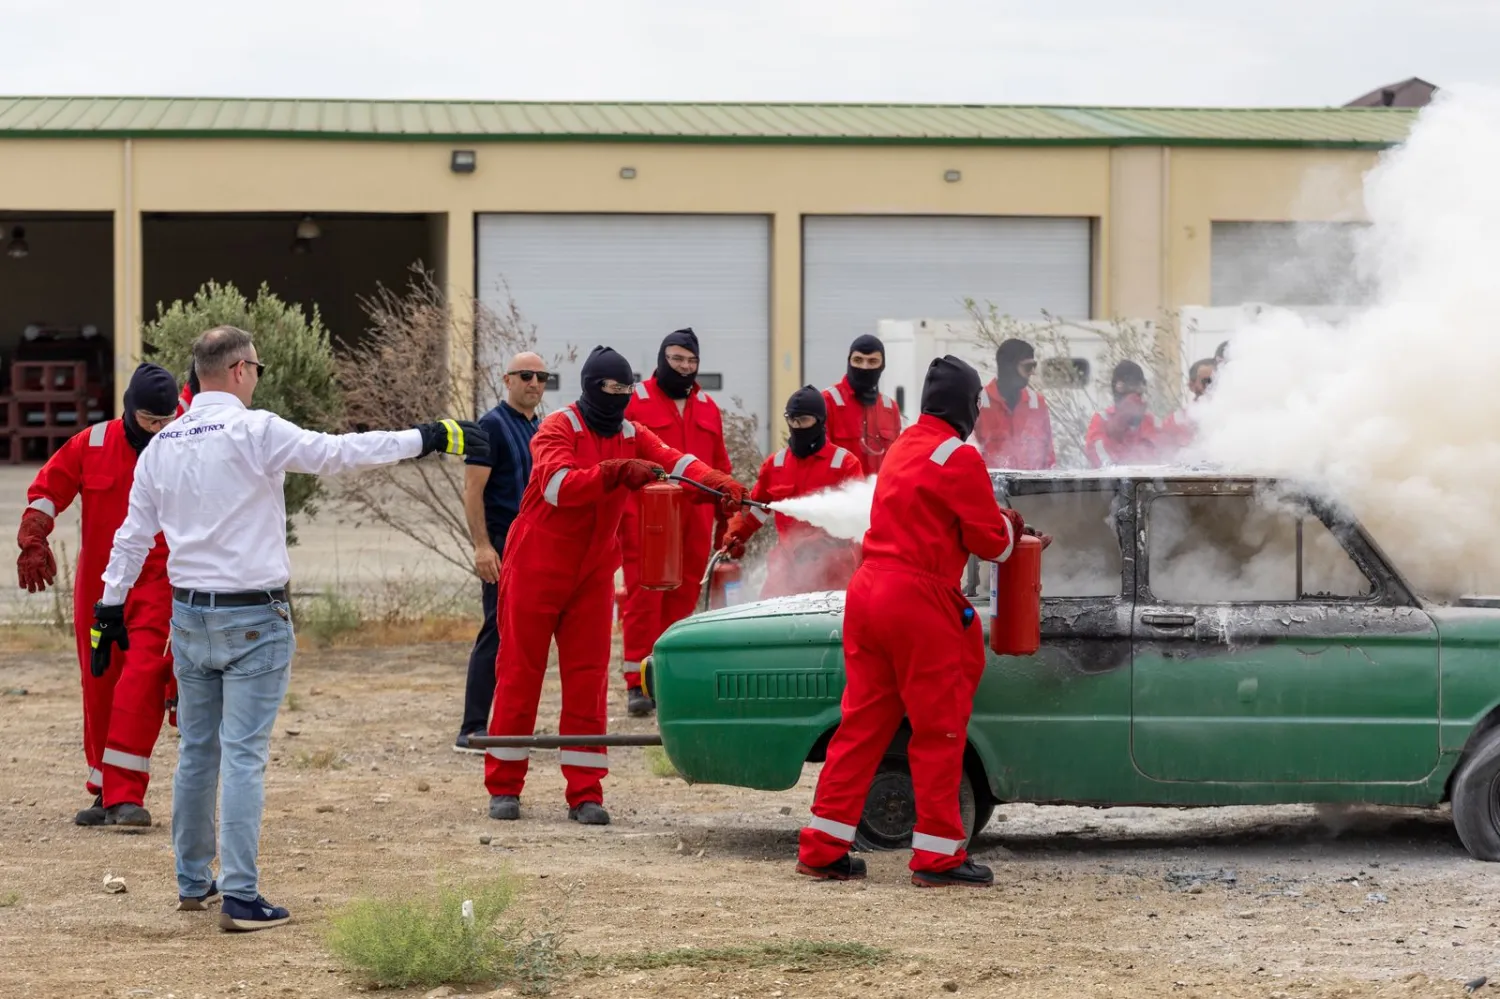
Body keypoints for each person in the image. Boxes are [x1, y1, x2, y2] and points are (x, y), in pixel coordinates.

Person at [92, 325, 489, 932]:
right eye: (257, 368)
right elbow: (338, 453)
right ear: (241, 371)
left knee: (198, 752)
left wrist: (109, 605)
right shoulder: (256, 430)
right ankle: (242, 896)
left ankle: (193, 879)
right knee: (243, 756)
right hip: (253, 616)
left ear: (198, 376)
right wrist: (428, 437)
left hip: (189, 617)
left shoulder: (163, 444)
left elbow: (132, 535)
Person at [796, 356, 1039, 888]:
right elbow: (993, 544)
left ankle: (822, 847)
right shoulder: (960, 455)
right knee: (939, 727)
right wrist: (1007, 523)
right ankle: (938, 857)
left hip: (868, 592)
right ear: (967, 405)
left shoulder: (903, 445)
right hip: (919, 599)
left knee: (861, 725)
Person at [484, 346, 747, 826]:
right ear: (589, 389)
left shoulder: (631, 432)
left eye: (627, 393)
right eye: (611, 392)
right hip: (537, 566)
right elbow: (556, 486)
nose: (620, 402)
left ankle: (585, 792)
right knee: (521, 673)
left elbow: (674, 459)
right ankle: (504, 785)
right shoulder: (558, 427)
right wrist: (614, 472)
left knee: (587, 680)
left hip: (592, 574)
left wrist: (716, 481)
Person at [18, 362, 181, 828]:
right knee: (100, 680)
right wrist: (34, 535)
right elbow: (48, 490)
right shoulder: (90, 444)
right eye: (150, 420)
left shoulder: (179, 445)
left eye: (166, 420)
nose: (158, 430)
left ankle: (127, 794)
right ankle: (105, 790)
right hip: (100, 587)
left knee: (143, 678)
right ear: (130, 410)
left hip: (158, 582)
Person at [616, 329, 732, 717]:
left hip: (695, 520)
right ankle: (638, 682)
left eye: (691, 360)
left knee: (682, 602)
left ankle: (668, 677)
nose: (684, 366)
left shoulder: (708, 408)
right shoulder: (635, 401)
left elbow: (720, 467)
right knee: (644, 599)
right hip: (647, 517)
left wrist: (728, 521)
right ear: (662, 357)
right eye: (677, 358)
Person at [454, 352, 547, 752]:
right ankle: (472, 729)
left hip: (536, 549)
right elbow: (472, 491)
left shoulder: (541, 429)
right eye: (526, 375)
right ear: (507, 380)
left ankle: (509, 724)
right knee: (495, 630)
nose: (535, 383)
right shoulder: (489, 427)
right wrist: (481, 547)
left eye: (542, 377)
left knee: (523, 638)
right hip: (502, 547)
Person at [719, 386, 866, 599]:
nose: (797, 426)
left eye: (804, 420)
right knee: (769, 623)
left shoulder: (844, 464)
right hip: (785, 572)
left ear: (820, 420)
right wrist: (735, 535)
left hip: (834, 573)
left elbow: (854, 518)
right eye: (792, 420)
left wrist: (818, 544)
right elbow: (756, 510)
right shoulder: (775, 465)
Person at [823, 334, 902, 475]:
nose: (864, 367)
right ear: (849, 362)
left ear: (882, 366)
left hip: (877, 494)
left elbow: (895, 460)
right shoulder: (827, 401)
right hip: (841, 494)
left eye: (872, 361)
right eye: (858, 360)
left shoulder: (889, 408)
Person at [972, 338, 1056, 469]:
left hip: (1031, 487)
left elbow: (1049, 456)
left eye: (1034, 366)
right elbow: (968, 456)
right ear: (1008, 367)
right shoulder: (978, 404)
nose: (1032, 373)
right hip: (992, 487)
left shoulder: (1037, 403)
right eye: (1028, 367)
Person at [1084, 360, 1160, 467]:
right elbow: (1097, 456)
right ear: (1117, 388)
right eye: (1128, 387)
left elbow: (1162, 456)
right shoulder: (1102, 419)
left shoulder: (1150, 420)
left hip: (1146, 482)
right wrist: (1121, 421)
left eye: (1138, 387)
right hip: (1112, 482)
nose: (1134, 395)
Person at [1162, 358, 1216, 453]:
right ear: (1191, 385)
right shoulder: (1175, 421)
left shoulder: (1233, 416)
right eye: (1207, 382)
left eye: (1217, 382)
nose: (1212, 388)